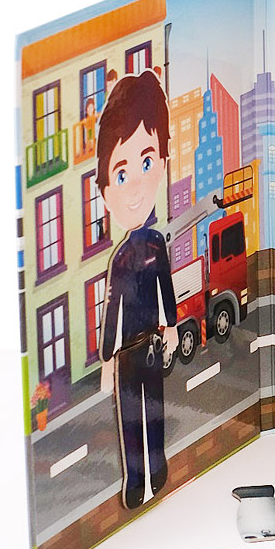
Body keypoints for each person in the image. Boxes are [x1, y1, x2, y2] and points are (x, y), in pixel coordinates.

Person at [97, 69, 179, 509]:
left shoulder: (157, 245)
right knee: (130, 416)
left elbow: (166, 289)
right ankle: (135, 480)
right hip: (128, 354)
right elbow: (112, 313)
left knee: (154, 410)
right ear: (106, 192)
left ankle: (157, 468)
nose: (135, 186)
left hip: (150, 343)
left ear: (162, 164)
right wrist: (107, 358)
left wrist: (172, 327)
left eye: (147, 164)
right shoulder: (120, 261)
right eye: (121, 173)